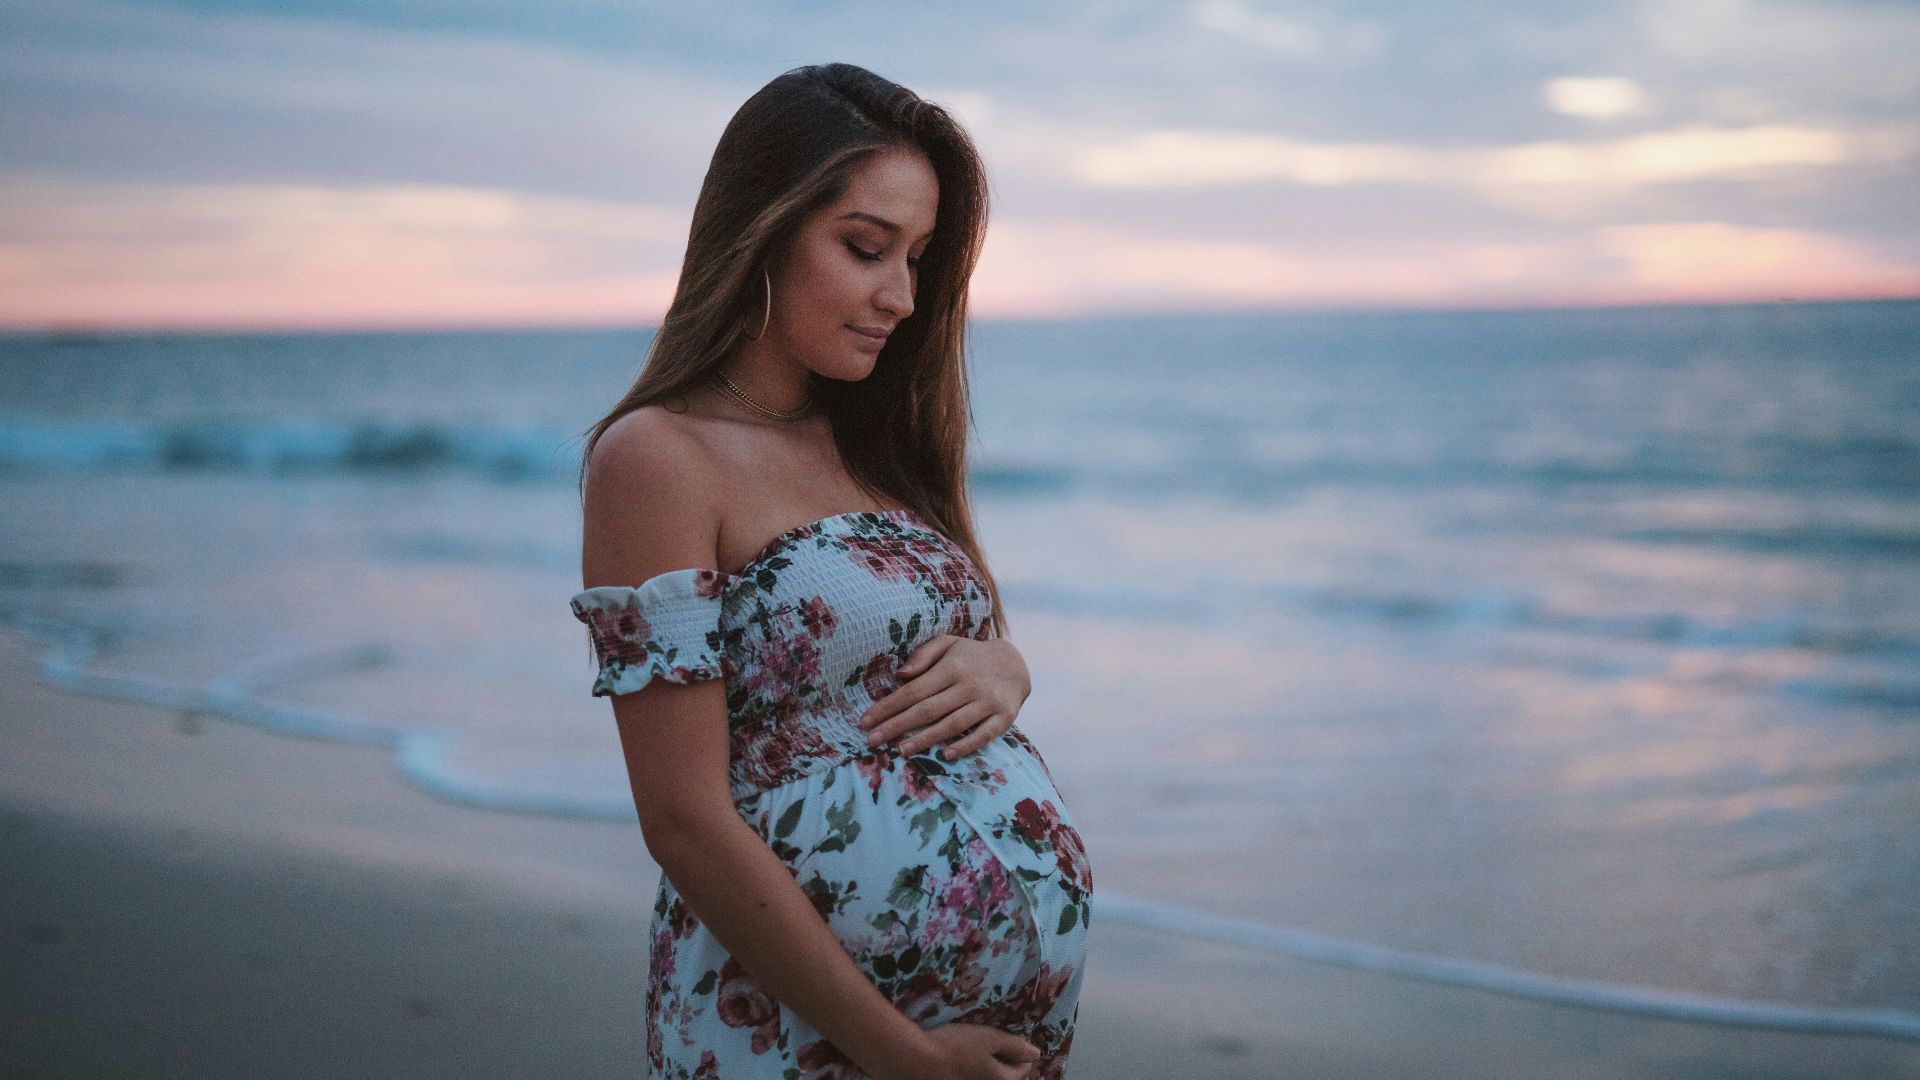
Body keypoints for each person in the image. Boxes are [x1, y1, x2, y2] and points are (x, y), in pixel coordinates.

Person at [569, 63, 1092, 1079]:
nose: (900, 295)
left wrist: (1008, 666)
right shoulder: (659, 458)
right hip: (813, 1042)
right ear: (760, 230)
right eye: (864, 248)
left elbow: (943, 647)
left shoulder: (876, 442)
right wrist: (900, 1055)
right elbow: (681, 819)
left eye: (920, 258)